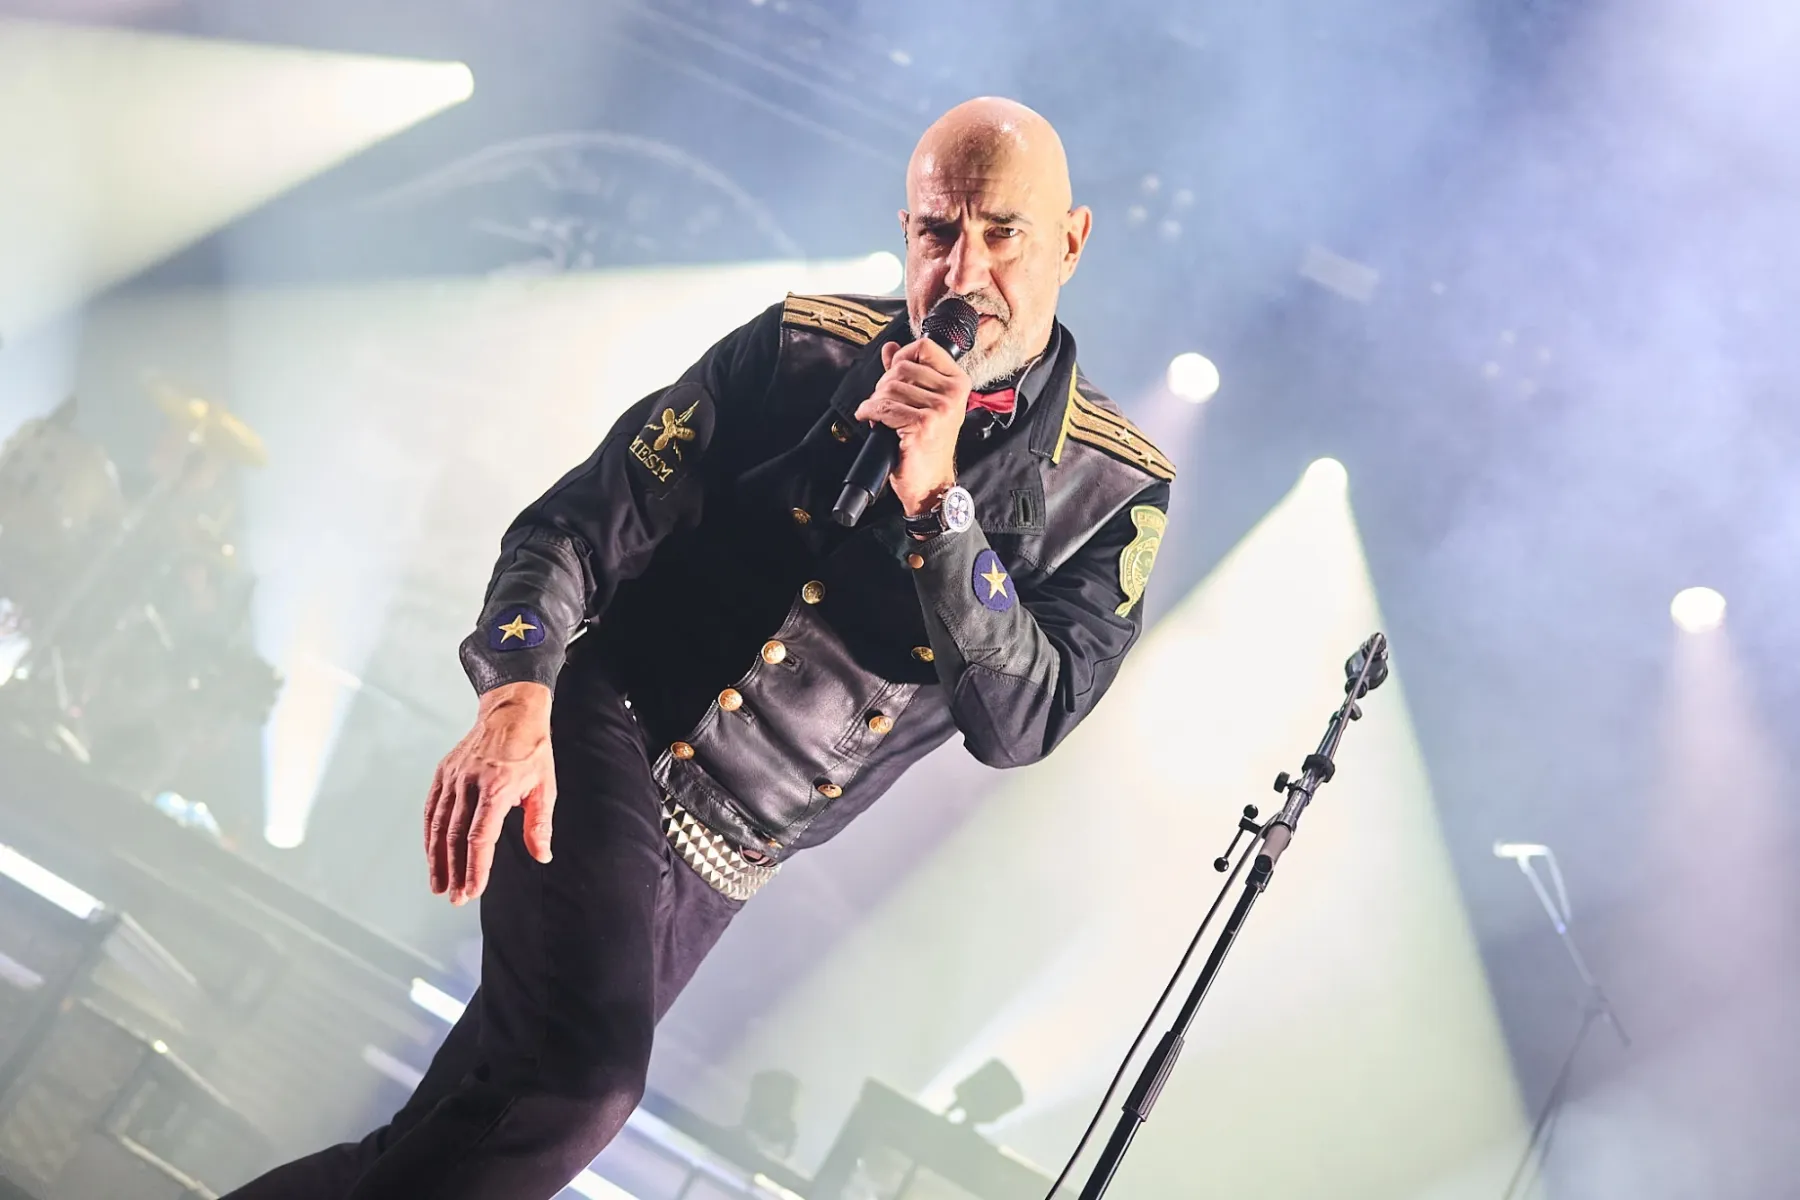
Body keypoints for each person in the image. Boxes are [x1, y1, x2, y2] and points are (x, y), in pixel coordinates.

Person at [227, 95, 1174, 1200]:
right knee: (582, 1087)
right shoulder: (800, 347)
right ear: (904, 231)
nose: (964, 271)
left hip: (733, 859)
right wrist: (516, 695)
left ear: (1071, 240)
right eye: (935, 231)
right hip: (605, 743)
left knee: (461, 1137)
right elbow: (574, 527)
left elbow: (1022, 722)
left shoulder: (1112, 489)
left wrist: (938, 505)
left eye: (1003, 233)